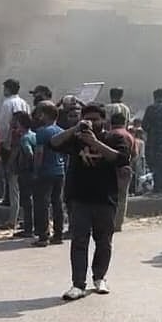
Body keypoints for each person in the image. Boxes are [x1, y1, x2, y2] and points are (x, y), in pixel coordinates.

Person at [51, 104, 133, 300]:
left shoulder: (114, 138)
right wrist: (75, 128)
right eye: (88, 118)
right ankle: (78, 284)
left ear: (104, 120)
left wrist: (95, 143)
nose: (92, 122)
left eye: (96, 119)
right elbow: (53, 143)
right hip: (79, 198)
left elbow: (121, 159)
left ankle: (100, 278)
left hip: (105, 197)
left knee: (103, 241)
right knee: (79, 241)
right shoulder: (76, 138)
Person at [31, 102, 66, 246]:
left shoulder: (42, 132)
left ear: (46, 115)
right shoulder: (62, 131)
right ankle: (58, 234)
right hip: (60, 170)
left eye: (41, 113)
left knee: (42, 203)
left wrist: (35, 170)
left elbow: (39, 153)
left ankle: (43, 236)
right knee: (57, 202)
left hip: (45, 171)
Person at [0, 79, 30, 207]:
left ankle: (9, 199)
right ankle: (19, 199)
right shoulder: (24, 103)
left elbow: (5, 126)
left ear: (8, 89)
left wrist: (1, 143)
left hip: (10, 143)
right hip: (23, 141)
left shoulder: (7, 103)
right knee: (21, 172)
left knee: (9, 172)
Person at [8, 111, 37, 238]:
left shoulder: (24, 138)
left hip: (26, 173)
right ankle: (31, 225)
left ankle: (28, 228)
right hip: (33, 172)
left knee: (26, 201)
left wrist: (27, 165)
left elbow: (29, 153)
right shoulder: (34, 135)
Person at [107, 113, 137, 232]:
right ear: (124, 122)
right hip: (125, 169)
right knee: (122, 197)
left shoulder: (108, 135)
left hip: (109, 170)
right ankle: (118, 224)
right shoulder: (129, 136)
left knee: (108, 196)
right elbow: (135, 154)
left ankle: (108, 221)